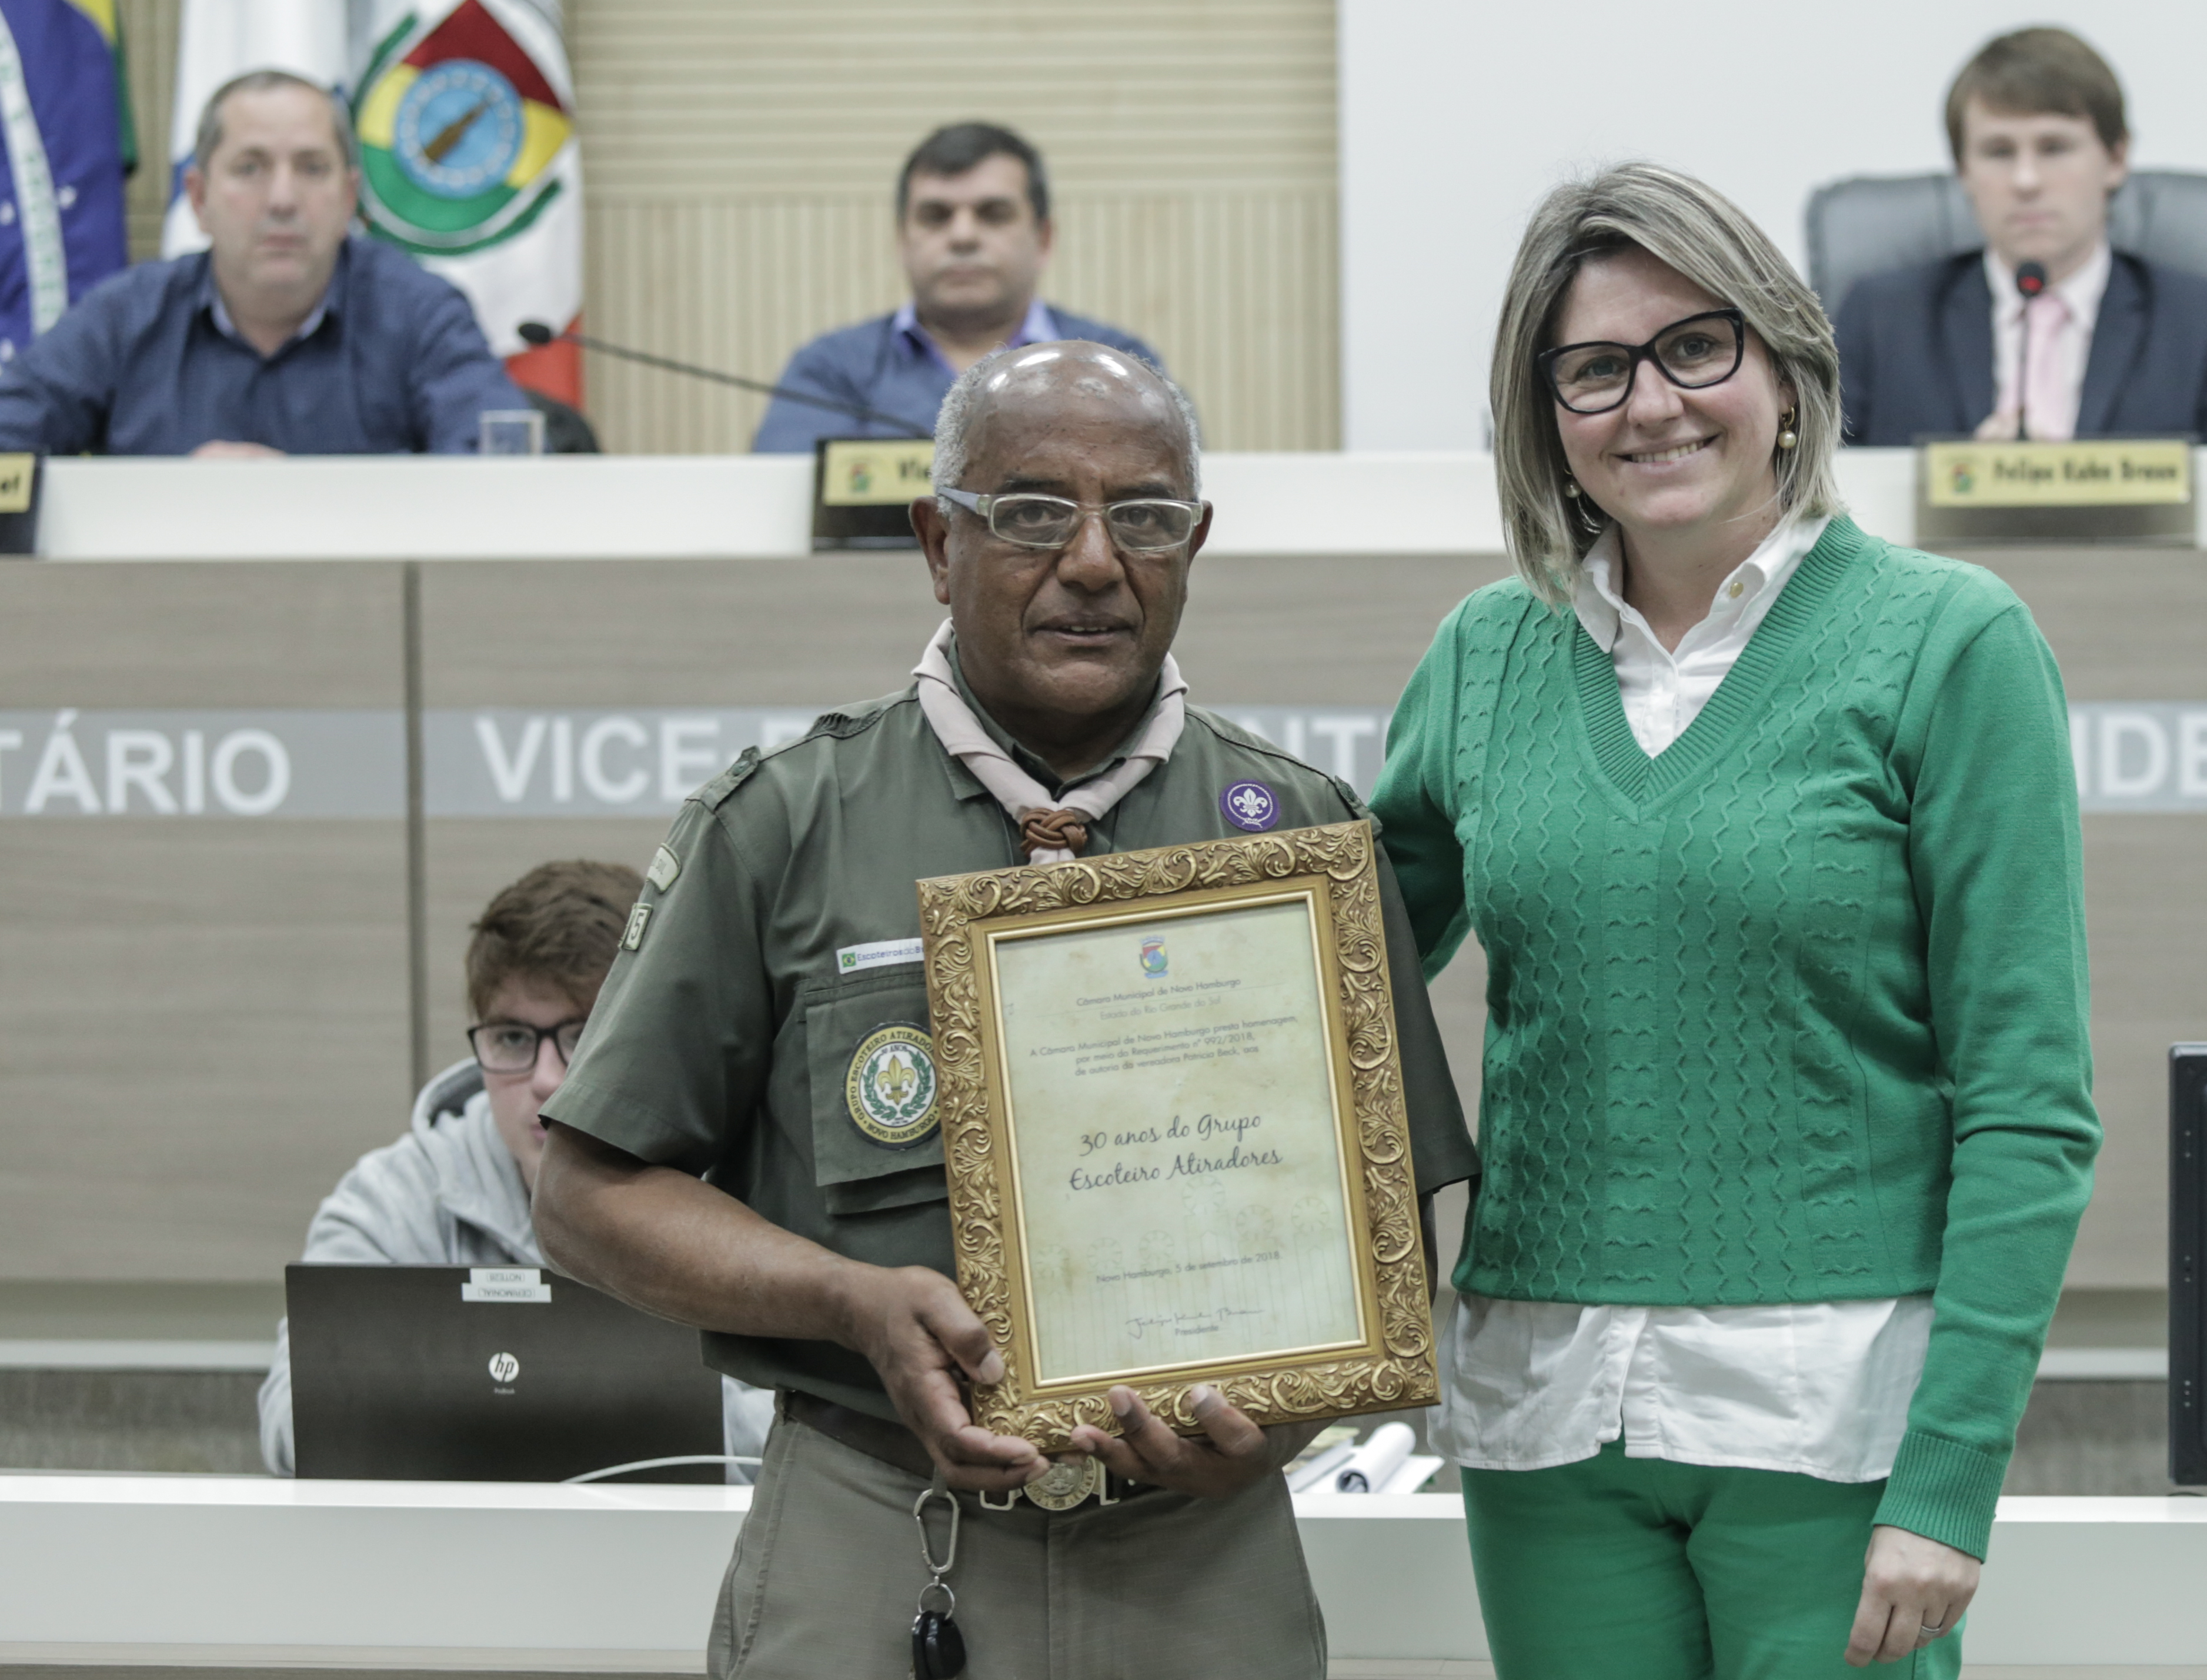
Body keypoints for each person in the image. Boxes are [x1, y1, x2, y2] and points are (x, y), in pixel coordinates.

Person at [535, 340, 1478, 1679]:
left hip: (1202, 1562)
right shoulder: (785, 824)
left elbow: (1387, 1236)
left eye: (1144, 517)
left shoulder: (1300, 841)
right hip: (875, 1534)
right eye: (1032, 513)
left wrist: (1280, 1423)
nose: (1093, 562)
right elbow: (584, 1194)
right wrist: (846, 1300)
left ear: (1195, 544)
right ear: (939, 542)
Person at [1371, 163, 2101, 1679]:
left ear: (1785, 368)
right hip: (1547, 1418)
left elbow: (2029, 1106)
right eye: (1593, 369)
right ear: (1543, 416)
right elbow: (1327, 987)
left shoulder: (1948, 642)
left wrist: (1952, 1476)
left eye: (1695, 347)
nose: (1650, 404)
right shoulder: (1483, 655)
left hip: (1830, 1420)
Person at [256, 860, 772, 1478]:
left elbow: (810, 1431)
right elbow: (292, 1426)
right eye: (512, 1038)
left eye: (583, 1034)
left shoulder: (746, 1185)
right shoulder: (391, 1197)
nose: (547, 1080)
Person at [0, 69, 526, 457]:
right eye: (250, 168)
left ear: (348, 200)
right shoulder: (126, 316)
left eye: (311, 168)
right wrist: (168, 499)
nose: (282, 200)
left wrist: (300, 497)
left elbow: (501, 465)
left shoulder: (419, 313)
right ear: (199, 199)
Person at [1835, 26, 2207, 447]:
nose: (2026, 180)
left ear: (2116, 158)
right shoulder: (1879, 320)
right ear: (1963, 172)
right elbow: (1817, 492)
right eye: (1999, 152)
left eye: (2054, 148)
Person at [752, 123, 1163, 453]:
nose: (963, 236)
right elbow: (782, 504)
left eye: (993, 214)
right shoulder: (832, 369)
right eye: (936, 216)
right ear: (902, 240)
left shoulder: (1117, 365)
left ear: (1043, 240)